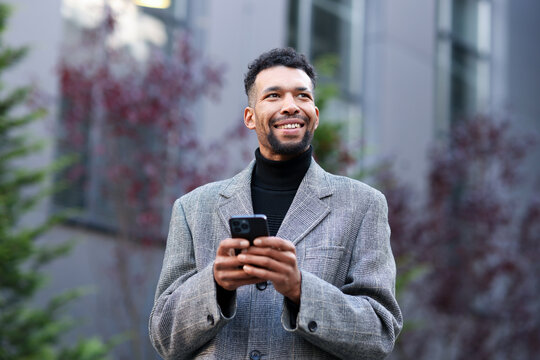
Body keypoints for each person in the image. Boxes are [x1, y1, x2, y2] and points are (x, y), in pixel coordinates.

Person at [149, 48, 402, 359]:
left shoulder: (364, 205)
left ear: (316, 115)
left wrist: (300, 290)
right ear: (250, 118)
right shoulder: (192, 208)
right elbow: (163, 336)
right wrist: (215, 285)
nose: (291, 106)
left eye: (302, 96)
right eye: (273, 96)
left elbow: (378, 334)